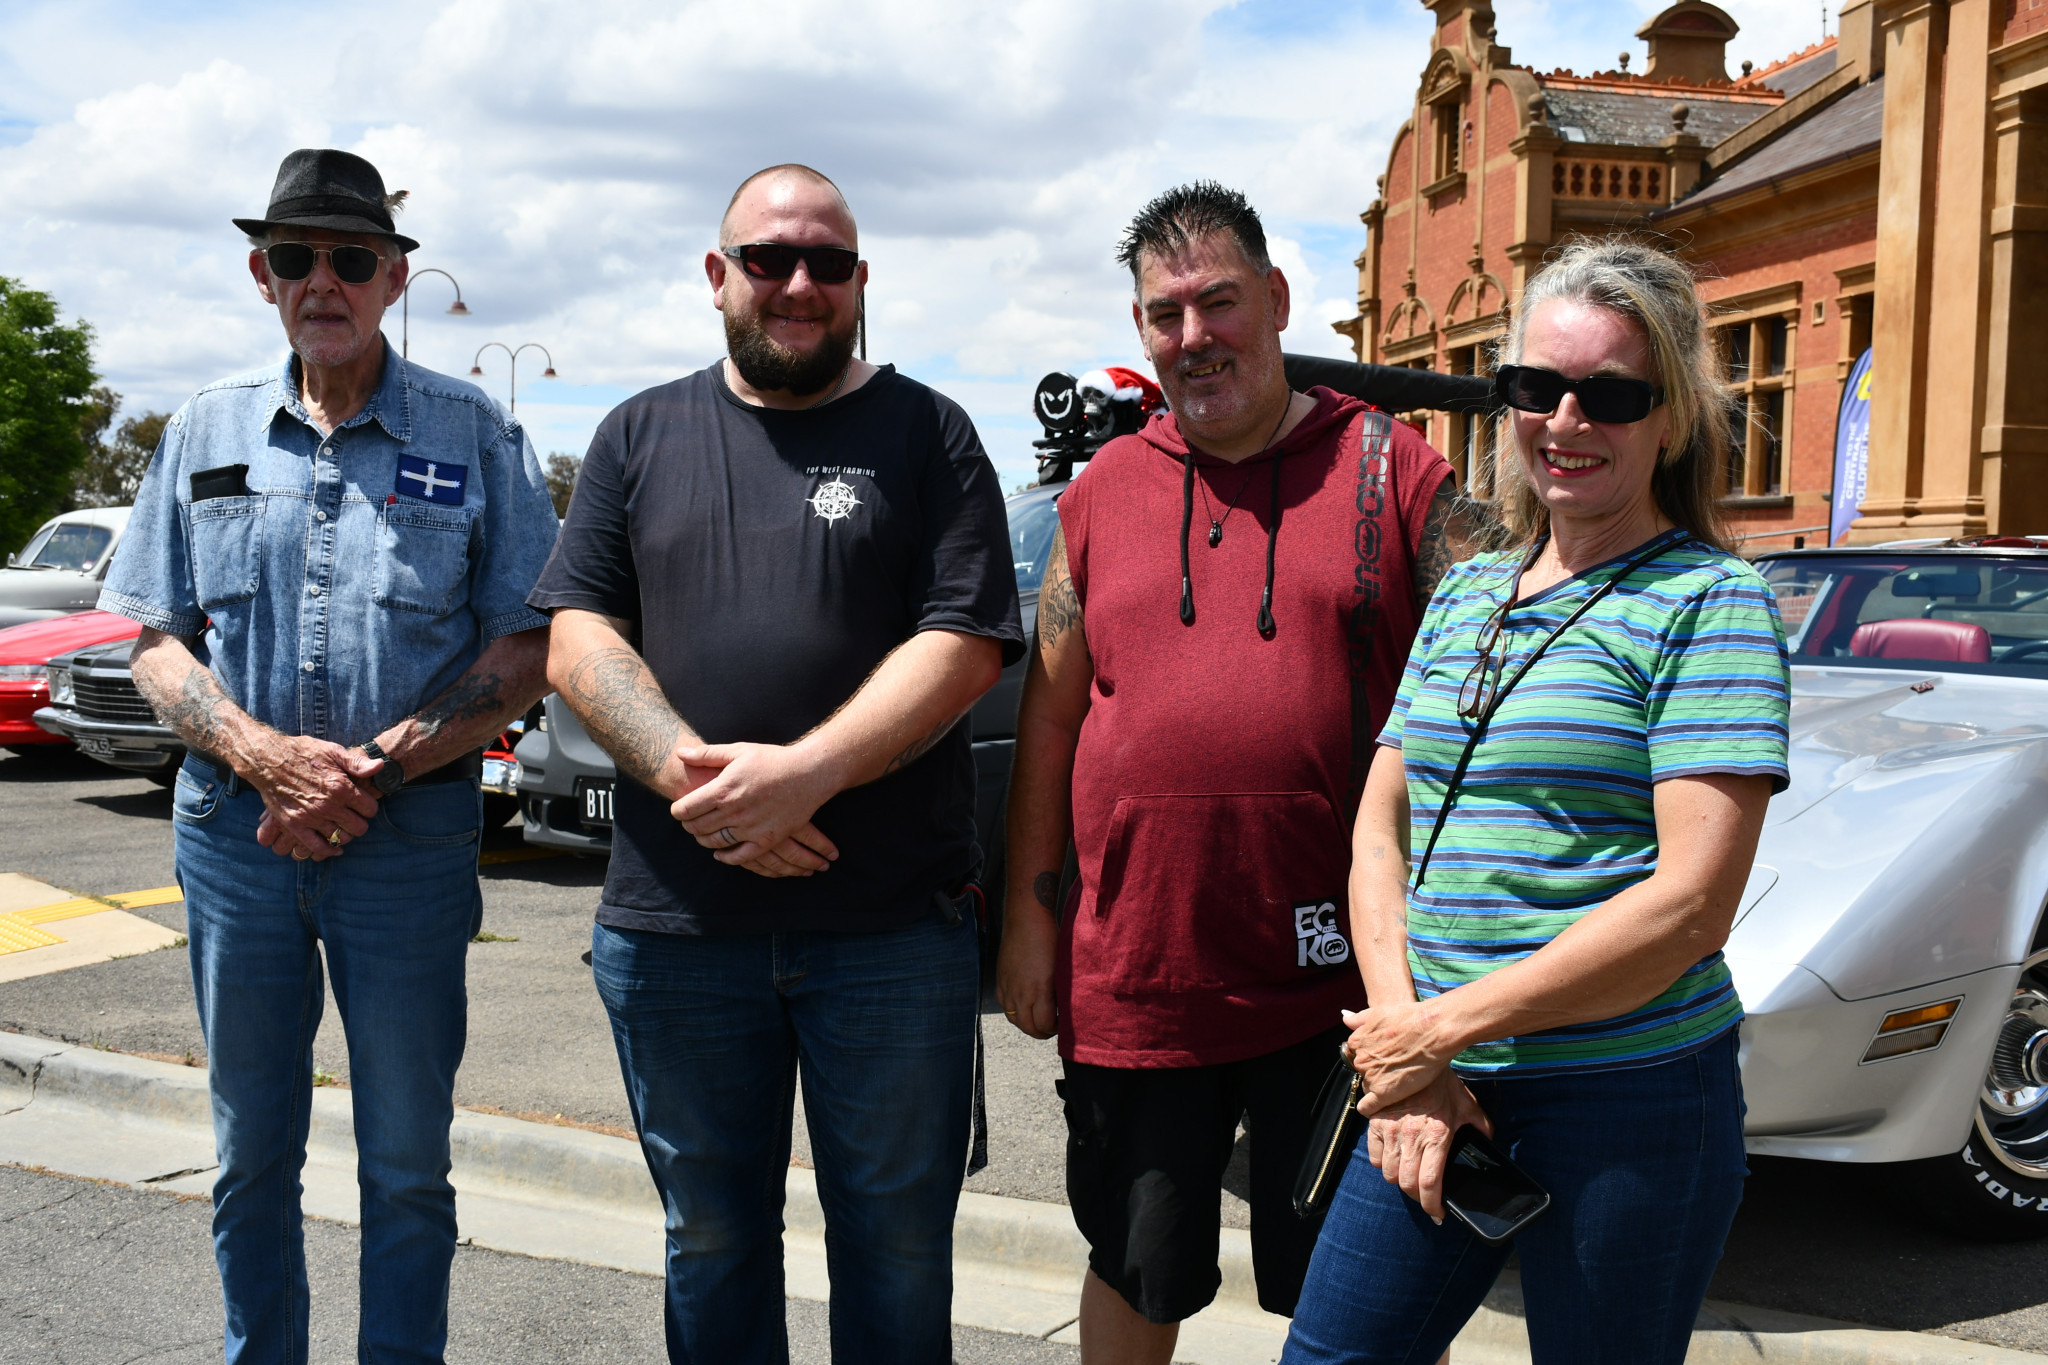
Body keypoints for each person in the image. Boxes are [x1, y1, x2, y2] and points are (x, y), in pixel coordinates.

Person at [527, 164, 1023, 1365]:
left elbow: (962, 644)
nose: (798, 284)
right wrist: (706, 788)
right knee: (708, 1237)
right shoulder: (637, 433)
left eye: (827, 263)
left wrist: (805, 775)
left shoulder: (929, 433)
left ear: (859, 283)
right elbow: (575, 635)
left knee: (898, 1245)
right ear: (717, 277)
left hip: (889, 937)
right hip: (677, 932)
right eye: (768, 259)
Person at [1283, 238, 1791, 1365]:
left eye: (1606, 394)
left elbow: (1688, 909)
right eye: (1533, 388)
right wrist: (1413, 1057)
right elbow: (1380, 830)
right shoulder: (1467, 590)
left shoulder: (1708, 604)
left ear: (1668, 417)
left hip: (1631, 1097)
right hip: (1436, 1073)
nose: (1564, 421)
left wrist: (1433, 1031)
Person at [998, 181, 1479, 1364]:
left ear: (1272, 300)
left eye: (1217, 302)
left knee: (1349, 1288)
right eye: (1163, 314)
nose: (1192, 335)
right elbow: (1050, 724)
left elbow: (1492, 682)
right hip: (1141, 975)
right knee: (1132, 1262)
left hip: (1343, 981)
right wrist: (1023, 919)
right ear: (1139, 331)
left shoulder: (1390, 468)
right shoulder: (1101, 494)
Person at [103, 147, 561, 1363]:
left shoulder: (476, 435)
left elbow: (527, 645)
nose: (324, 280)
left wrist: (376, 769)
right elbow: (154, 638)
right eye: (297, 256)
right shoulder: (204, 428)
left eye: (351, 258)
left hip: (406, 845)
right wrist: (262, 756)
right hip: (234, 844)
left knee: (407, 1159)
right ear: (263, 275)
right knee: (250, 1154)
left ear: (393, 279)